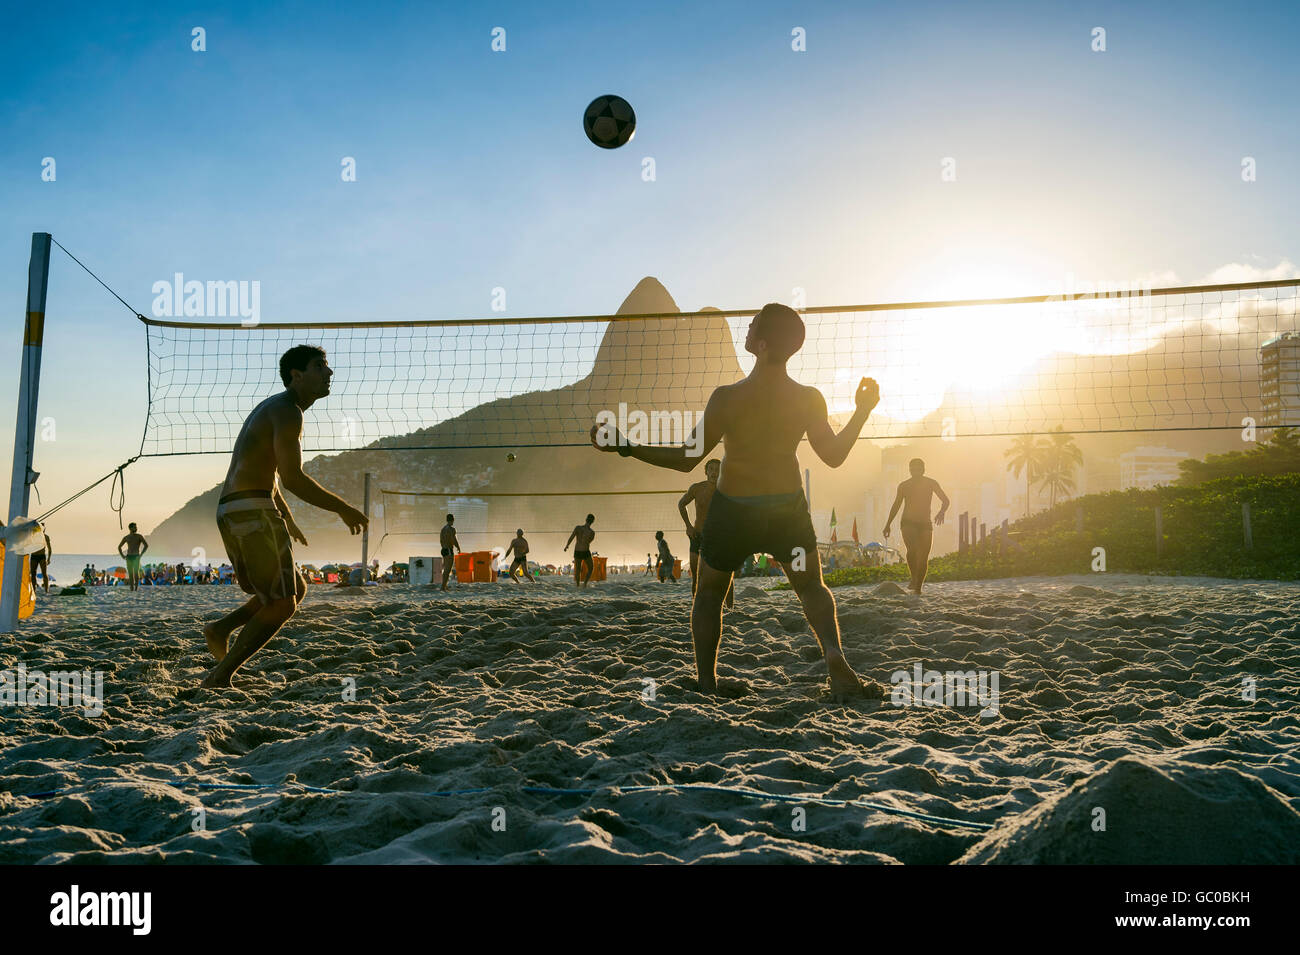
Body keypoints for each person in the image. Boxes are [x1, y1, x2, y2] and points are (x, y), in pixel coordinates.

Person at [591, 302, 882, 699]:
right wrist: (862, 412)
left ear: (761, 344)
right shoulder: (809, 398)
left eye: (754, 325)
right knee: (812, 587)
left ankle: (707, 683)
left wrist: (626, 445)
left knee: (709, 594)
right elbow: (833, 456)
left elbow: (686, 458)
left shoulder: (728, 398)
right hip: (786, 508)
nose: (746, 328)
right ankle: (833, 656)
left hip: (734, 510)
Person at [200, 345, 368, 688]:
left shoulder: (274, 407)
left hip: (235, 509)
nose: (329, 372)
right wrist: (342, 508)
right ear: (297, 375)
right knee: (282, 605)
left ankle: (220, 629)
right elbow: (292, 478)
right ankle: (220, 676)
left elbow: (270, 473)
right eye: (320, 366)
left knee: (296, 588)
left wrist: (287, 518)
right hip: (251, 512)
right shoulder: (289, 410)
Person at [883, 458, 950, 594]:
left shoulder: (931, 483)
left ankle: (918, 587)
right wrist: (888, 524)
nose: (916, 472)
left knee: (924, 556)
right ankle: (914, 577)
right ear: (909, 470)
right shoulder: (904, 485)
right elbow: (896, 505)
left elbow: (946, 500)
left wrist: (942, 512)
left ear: (923, 470)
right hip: (908, 522)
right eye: (913, 469)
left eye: (918, 469)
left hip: (925, 523)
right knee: (912, 550)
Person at [679, 458, 733, 608]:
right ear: (706, 472)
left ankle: (730, 608)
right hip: (698, 535)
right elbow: (681, 504)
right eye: (711, 469)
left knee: (726, 575)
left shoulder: (727, 490)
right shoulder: (697, 488)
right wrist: (688, 526)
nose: (714, 472)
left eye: (717, 469)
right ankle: (696, 608)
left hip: (719, 537)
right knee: (696, 576)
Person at [564, 514, 596, 588]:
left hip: (578, 550)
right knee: (591, 568)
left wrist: (567, 546)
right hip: (585, 551)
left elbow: (571, 537)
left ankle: (578, 585)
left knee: (578, 570)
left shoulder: (578, 528)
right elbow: (589, 542)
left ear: (586, 519)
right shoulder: (592, 532)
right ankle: (584, 584)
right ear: (592, 522)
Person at [118, 523, 149, 591]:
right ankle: (131, 588)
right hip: (129, 557)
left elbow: (146, 545)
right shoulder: (126, 537)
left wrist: (141, 555)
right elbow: (119, 547)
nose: (136, 528)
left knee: (136, 573)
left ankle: (136, 588)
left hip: (136, 556)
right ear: (130, 528)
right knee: (130, 574)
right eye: (135, 527)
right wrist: (123, 556)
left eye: (136, 527)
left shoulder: (139, 536)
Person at [28, 526, 52, 595]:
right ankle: (33, 590)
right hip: (34, 556)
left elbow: (49, 549)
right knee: (33, 574)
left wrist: (49, 559)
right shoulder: (33, 536)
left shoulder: (46, 537)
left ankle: (46, 590)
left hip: (42, 556)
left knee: (44, 573)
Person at [439, 514, 460, 591]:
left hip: (443, 550)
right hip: (448, 550)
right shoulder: (451, 529)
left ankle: (445, 585)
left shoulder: (443, 529)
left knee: (446, 569)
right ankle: (443, 586)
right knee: (448, 569)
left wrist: (443, 546)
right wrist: (458, 547)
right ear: (453, 520)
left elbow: (441, 540)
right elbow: (453, 540)